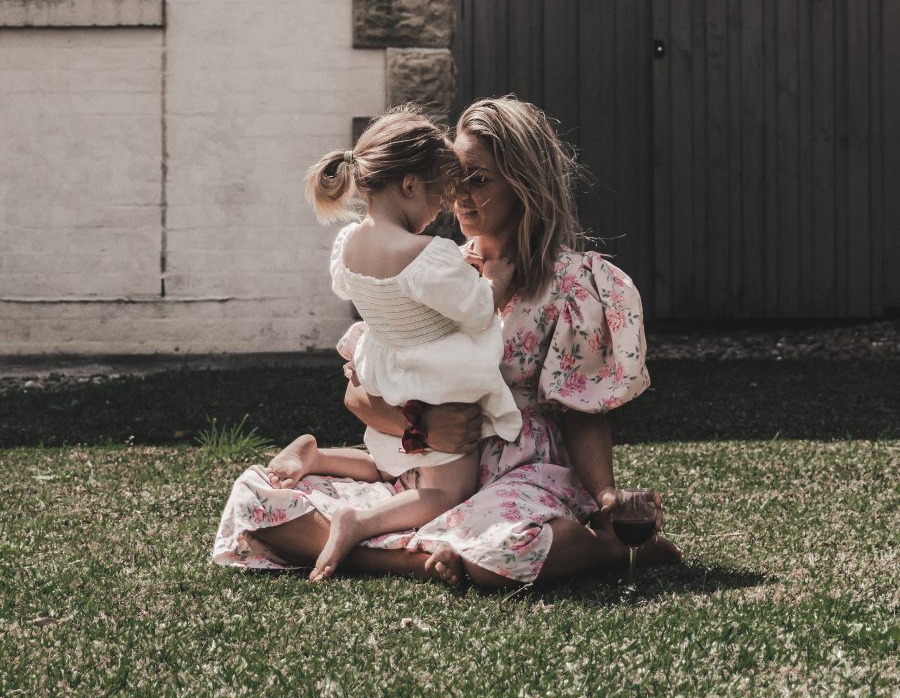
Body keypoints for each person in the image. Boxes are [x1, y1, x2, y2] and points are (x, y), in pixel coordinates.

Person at [212, 96, 681, 588]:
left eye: (477, 179)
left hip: (517, 476)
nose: (457, 194)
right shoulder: (430, 268)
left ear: (524, 184)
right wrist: (423, 428)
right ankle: (416, 558)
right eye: (454, 179)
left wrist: (606, 499)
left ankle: (592, 548)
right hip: (425, 472)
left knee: (504, 549)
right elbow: (359, 391)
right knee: (256, 501)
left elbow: (583, 413)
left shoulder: (570, 285)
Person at [261, 106, 521, 581]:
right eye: (439, 197)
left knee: (391, 464)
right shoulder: (429, 256)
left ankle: (318, 457)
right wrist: (496, 281)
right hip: (435, 377)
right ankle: (358, 521)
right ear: (409, 186)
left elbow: (350, 289)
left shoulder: (348, 244)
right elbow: (478, 310)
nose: (443, 209)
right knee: (447, 488)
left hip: (385, 370)